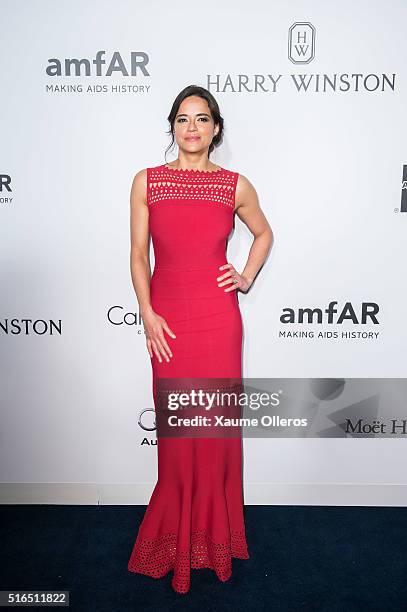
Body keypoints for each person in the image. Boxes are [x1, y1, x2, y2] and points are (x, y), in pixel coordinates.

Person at [127, 84, 273, 594]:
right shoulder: (147, 182)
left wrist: (247, 275)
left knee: (212, 433)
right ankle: (175, 539)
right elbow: (137, 255)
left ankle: (215, 538)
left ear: (216, 129)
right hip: (169, 322)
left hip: (217, 320)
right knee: (177, 433)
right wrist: (146, 312)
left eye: (202, 119)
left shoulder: (235, 185)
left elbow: (263, 233)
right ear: (173, 127)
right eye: (183, 119)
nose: (192, 128)